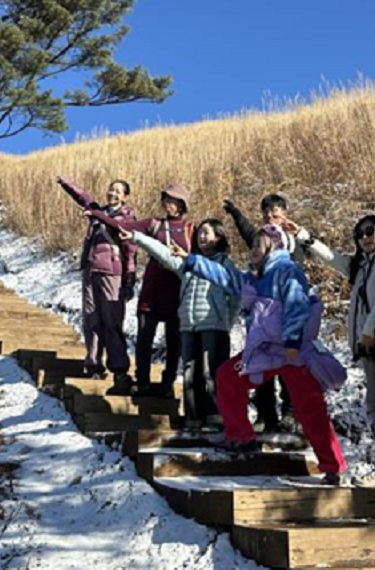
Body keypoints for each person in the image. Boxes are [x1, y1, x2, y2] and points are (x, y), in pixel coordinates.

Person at [175, 224, 347, 485]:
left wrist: (291, 340)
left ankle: (332, 466)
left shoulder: (287, 271)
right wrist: (191, 260)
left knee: (310, 408)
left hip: (292, 352)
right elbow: (225, 277)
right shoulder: (254, 277)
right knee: (227, 377)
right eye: (253, 245)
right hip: (264, 352)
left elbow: (296, 304)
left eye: (258, 245)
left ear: (274, 246)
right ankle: (240, 438)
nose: (253, 249)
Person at [283, 215, 375, 488]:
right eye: (359, 234)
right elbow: (335, 259)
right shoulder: (365, 264)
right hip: (371, 344)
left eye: (370, 231)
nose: (364, 238)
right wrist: (303, 235)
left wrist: (368, 330)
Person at [118, 219, 239, 431]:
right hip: (188, 326)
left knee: (212, 373)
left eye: (207, 233)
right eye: (200, 233)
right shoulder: (188, 263)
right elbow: (163, 253)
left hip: (214, 326)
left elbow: (236, 296)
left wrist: (227, 322)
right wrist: (137, 238)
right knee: (190, 373)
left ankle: (215, 417)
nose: (202, 237)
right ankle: (193, 418)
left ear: (218, 237)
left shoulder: (224, 264)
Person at [87, 185, 193, 398]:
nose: (168, 205)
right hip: (152, 289)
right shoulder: (154, 224)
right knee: (144, 338)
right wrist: (97, 213)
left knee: (174, 342)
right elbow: (122, 225)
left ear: (182, 205)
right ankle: (142, 381)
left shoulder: (191, 229)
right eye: (166, 200)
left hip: (177, 292)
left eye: (174, 201)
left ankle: (168, 383)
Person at [222, 194, 299, 433]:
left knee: (287, 370)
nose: (270, 217)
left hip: (283, 321)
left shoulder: (294, 243)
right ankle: (266, 415)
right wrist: (236, 214)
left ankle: (290, 413)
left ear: (285, 214)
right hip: (258, 320)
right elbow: (248, 233)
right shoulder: (260, 242)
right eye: (266, 213)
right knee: (260, 367)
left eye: (275, 213)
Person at [56, 176, 137, 393]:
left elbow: (130, 252)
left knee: (112, 321)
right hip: (91, 272)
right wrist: (66, 184)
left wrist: (129, 280)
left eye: (118, 191)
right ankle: (93, 363)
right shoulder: (97, 213)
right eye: (111, 189)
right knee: (91, 319)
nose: (113, 194)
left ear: (125, 197)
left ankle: (119, 367)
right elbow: (83, 197)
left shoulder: (127, 218)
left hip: (113, 273)